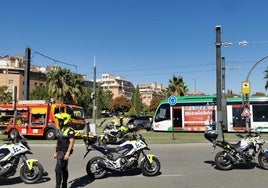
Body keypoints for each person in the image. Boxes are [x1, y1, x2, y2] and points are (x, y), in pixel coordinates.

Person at [53, 113, 75, 188]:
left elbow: (72, 142)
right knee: (64, 169)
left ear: (65, 121)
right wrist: (55, 152)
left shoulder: (70, 130)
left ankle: (58, 186)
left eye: (60, 120)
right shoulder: (61, 129)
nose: (59, 122)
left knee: (57, 170)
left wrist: (68, 153)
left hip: (64, 152)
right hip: (59, 152)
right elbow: (58, 142)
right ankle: (64, 185)